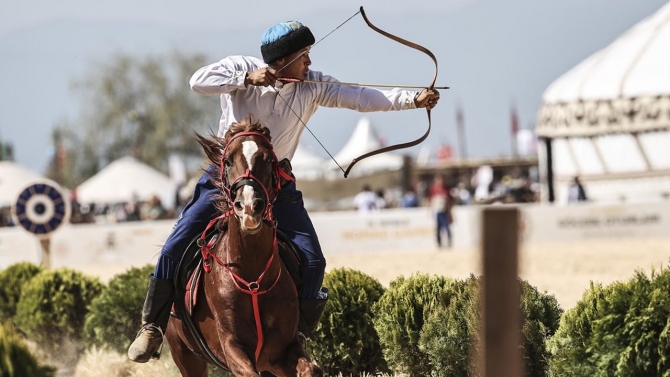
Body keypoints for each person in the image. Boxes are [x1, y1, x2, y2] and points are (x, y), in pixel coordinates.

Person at [127, 20, 440, 362]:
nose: (309, 62)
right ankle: (152, 327)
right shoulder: (241, 68)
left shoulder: (313, 85)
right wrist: (248, 79)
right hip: (226, 180)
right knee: (176, 244)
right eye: (304, 55)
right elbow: (197, 81)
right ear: (283, 59)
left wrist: (413, 99)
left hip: (277, 182)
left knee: (313, 259)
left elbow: (361, 96)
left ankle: (296, 340)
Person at [428, 176, 453, 248]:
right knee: (438, 229)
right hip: (437, 211)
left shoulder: (446, 190)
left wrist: (450, 211)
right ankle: (439, 244)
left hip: (444, 211)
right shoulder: (433, 190)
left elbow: (450, 201)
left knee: (447, 228)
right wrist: (430, 210)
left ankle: (449, 243)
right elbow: (430, 200)